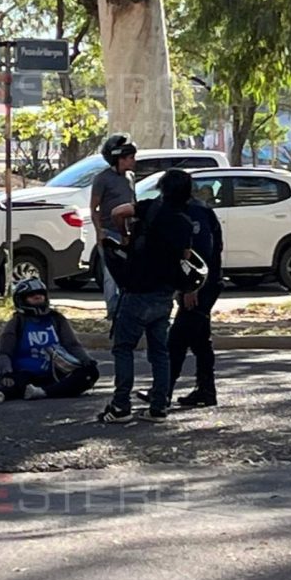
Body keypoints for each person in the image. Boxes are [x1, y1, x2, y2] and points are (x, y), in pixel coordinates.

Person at [98, 169, 195, 424]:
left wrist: (126, 235)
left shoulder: (151, 207)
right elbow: (185, 257)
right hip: (164, 293)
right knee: (159, 352)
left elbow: (118, 212)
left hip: (137, 289)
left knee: (123, 348)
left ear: (163, 188)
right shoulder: (185, 222)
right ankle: (159, 407)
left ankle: (121, 406)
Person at [141, 180, 224, 408]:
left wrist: (191, 288)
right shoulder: (189, 211)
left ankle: (162, 392)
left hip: (200, 286)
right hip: (198, 285)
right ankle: (206, 390)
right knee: (199, 340)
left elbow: (201, 256)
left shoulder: (196, 214)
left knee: (177, 340)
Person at [0, 278, 99, 404]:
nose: (37, 298)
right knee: (10, 381)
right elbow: (4, 353)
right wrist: (6, 371)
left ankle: (42, 392)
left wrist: (86, 360)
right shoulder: (17, 322)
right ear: (21, 300)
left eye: (40, 295)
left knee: (89, 374)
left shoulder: (57, 319)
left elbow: (72, 345)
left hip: (55, 373)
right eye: (32, 296)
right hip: (25, 375)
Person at [90, 134, 137, 321]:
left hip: (128, 233)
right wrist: (99, 231)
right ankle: (112, 311)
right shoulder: (102, 179)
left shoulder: (130, 177)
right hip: (109, 232)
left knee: (129, 272)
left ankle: (126, 308)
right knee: (110, 274)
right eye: (130, 157)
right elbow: (94, 207)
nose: (134, 161)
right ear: (120, 158)